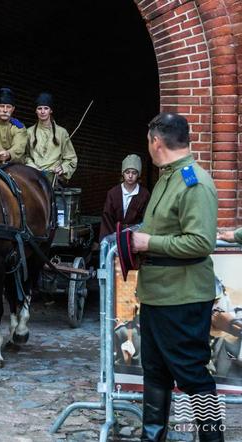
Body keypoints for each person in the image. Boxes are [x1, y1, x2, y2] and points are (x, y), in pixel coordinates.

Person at [130, 113, 223, 442]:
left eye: (148, 142)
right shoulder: (167, 178)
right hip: (157, 294)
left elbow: (201, 242)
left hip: (182, 298)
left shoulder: (193, 182)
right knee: (154, 373)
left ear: (156, 141)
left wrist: (148, 242)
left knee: (193, 376)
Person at [24, 93, 78, 183]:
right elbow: (24, 155)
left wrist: (63, 168)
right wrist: (32, 166)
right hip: (33, 178)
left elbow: (71, 158)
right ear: (36, 111)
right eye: (39, 108)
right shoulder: (29, 132)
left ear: (51, 111)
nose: (42, 111)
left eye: (46, 108)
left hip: (54, 180)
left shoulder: (62, 133)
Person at [99, 154, 150, 240]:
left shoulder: (144, 194)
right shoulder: (113, 193)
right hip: (114, 235)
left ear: (139, 174)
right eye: (127, 172)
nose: (130, 176)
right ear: (123, 173)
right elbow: (107, 219)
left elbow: (146, 220)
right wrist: (109, 240)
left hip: (134, 238)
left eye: (134, 173)